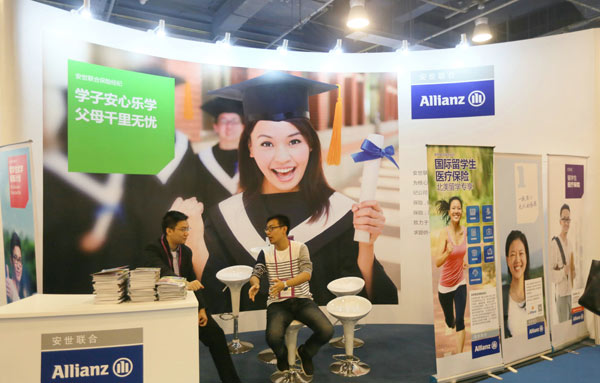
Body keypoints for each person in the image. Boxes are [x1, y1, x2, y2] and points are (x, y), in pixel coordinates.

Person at [187, 71, 397, 313]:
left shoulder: (341, 213)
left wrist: (367, 246)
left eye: (294, 141)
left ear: (310, 145)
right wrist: (194, 241)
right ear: (250, 148)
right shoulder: (226, 217)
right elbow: (217, 300)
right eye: (266, 143)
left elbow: (365, 300)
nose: (282, 157)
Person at [143, 210, 242, 383]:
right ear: (169, 230)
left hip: (187, 307)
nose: (187, 233)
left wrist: (202, 309)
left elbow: (193, 280)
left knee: (217, 336)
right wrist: (183, 283)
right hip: (162, 311)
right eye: (182, 229)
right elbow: (161, 271)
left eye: (188, 228)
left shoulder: (186, 252)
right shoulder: (153, 249)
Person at [248, 214, 333, 377]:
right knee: (273, 337)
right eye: (266, 229)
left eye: (272, 228)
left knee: (327, 330)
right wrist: (255, 284)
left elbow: (307, 274)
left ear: (284, 229)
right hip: (278, 303)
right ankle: (282, 355)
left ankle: (306, 352)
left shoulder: (300, 247)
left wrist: (285, 284)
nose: (268, 232)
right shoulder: (265, 253)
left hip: (302, 300)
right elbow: (256, 272)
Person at [197, 97, 244, 209]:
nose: (229, 126)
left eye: (234, 121)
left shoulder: (255, 158)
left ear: (243, 126)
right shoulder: (201, 159)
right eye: (223, 121)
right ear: (216, 127)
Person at [434, 196, 467, 354]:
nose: (456, 211)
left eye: (459, 208)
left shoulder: (465, 232)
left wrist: (463, 261)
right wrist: (447, 253)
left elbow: (462, 253)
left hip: (460, 282)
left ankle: (460, 357)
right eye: (454, 208)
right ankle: (449, 321)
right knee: (450, 320)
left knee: (460, 319)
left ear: (462, 211)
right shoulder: (444, 234)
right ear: (449, 211)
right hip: (445, 287)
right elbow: (437, 262)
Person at [502, 230, 530, 338]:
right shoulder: (502, 298)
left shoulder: (533, 293)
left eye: (521, 253)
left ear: (526, 257)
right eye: (513, 254)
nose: (517, 259)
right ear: (507, 260)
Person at [550, 203, 575, 323]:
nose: (566, 223)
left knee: (570, 328)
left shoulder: (570, 244)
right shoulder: (554, 244)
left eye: (568, 219)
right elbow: (550, 274)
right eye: (564, 219)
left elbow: (572, 267)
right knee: (563, 328)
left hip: (570, 293)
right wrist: (563, 272)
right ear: (560, 221)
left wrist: (573, 272)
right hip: (561, 294)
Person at [5, 232, 32, 303]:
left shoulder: (25, 289)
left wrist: (15, 297)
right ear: (11, 260)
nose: (18, 266)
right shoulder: (8, 289)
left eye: (20, 260)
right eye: (15, 258)